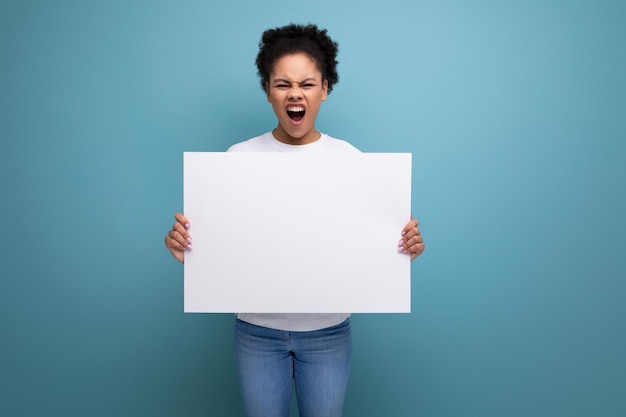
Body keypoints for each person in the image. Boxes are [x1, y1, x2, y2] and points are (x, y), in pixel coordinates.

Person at [164, 23, 425, 417]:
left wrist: (404, 245)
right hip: (256, 332)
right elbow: (220, 241)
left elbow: (374, 246)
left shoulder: (352, 162)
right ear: (268, 91)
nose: (295, 93)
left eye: (307, 83)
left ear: (324, 89)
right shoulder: (237, 159)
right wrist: (187, 247)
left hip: (328, 333)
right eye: (282, 84)